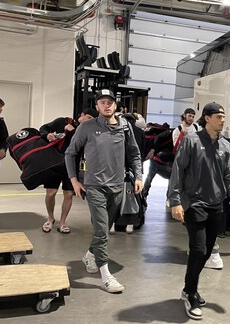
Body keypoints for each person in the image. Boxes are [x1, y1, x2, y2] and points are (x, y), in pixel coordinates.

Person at [168, 102, 230, 320]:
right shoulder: (191, 141)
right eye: (219, 116)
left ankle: (188, 288)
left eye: (224, 116)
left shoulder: (225, 146)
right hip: (195, 204)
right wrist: (175, 201)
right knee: (199, 250)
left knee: (207, 251)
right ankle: (190, 292)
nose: (223, 119)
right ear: (207, 118)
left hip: (216, 206)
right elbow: (178, 171)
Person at [65, 89, 143, 293]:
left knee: (104, 229)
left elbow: (135, 154)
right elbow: (70, 153)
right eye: (102, 102)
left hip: (117, 187)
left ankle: (90, 255)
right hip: (95, 186)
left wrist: (139, 176)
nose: (106, 105)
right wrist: (74, 181)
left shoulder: (125, 127)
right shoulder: (87, 127)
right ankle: (106, 276)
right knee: (102, 231)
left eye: (110, 102)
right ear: (97, 106)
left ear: (115, 106)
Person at [38, 108, 98, 234]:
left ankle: (63, 222)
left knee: (68, 194)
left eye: (92, 120)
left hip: (71, 166)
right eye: (89, 118)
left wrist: (75, 131)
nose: (89, 121)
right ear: (82, 115)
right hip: (54, 164)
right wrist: (47, 135)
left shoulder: (87, 130)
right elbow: (43, 128)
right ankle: (50, 218)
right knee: (50, 193)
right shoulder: (62, 121)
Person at [143, 108, 198, 198]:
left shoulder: (196, 128)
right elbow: (178, 147)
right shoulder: (177, 130)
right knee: (169, 178)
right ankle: (146, 195)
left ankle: (171, 198)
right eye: (189, 116)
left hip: (189, 158)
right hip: (176, 158)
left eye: (193, 116)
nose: (191, 118)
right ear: (184, 116)